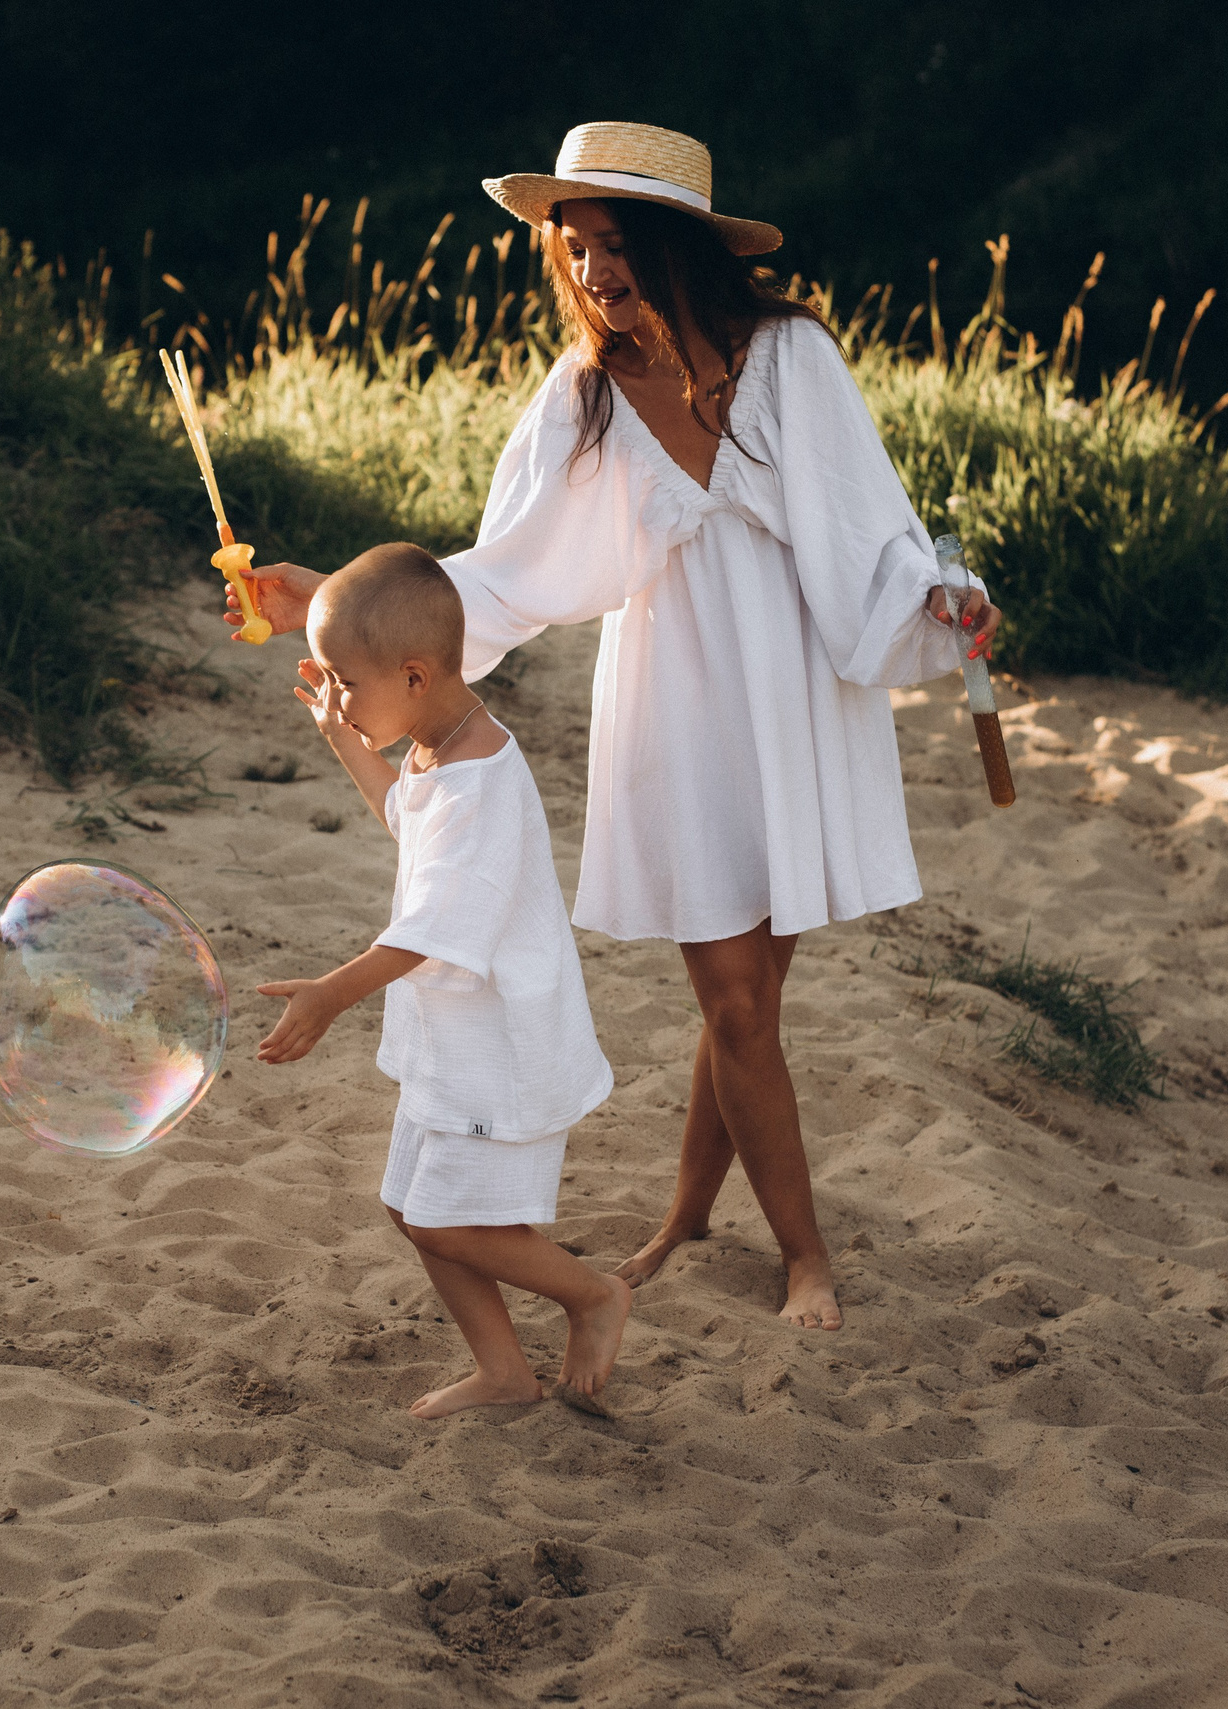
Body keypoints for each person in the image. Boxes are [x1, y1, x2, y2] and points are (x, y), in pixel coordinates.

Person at [231, 123, 1004, 1333]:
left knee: (747, 1003)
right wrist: (330, 595)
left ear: (677, 244)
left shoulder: (792, 356)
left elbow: (874, 531)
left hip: (798, 695)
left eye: (615, 242)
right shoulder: (584, 398)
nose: (593, 271)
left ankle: (687, 1216)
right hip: (676, 705)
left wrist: (939, 602)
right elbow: (501, 572)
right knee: (735, 1000)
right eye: (575, 247)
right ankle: (805, 1256)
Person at [253, 542, 631, 1418]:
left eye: (346, 682)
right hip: (454, 1041)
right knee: (409, 1204)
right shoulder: (438, 749)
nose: (335, 692)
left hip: (500, 1047)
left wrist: (331, 993)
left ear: (415, 675)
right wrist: (343, 736)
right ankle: (504, 1371)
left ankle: (594, 1295)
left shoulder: (478, 787)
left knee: (445, 1218)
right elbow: (406, 818)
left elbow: (433, 928)